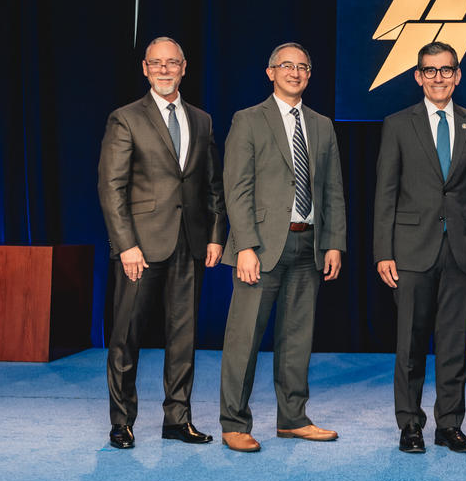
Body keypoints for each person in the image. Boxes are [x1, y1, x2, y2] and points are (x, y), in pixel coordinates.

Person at [98, 36, 226, 449]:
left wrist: (215, 238)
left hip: (190, 245)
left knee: (184, 339)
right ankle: (122, 422)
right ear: (145, 69)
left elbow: (212, 187)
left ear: (184, 67)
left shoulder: (202, 120)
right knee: (126, 337)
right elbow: (111, 188)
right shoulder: (125, 118)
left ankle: (177, 419)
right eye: (157, 64)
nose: (165, 70)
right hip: (140, 249)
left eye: (172, 63)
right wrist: (126, 245)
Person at [219, 42, 347, 453]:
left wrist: (334, 243)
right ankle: (234, 422)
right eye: (286, 66)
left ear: (310, 75)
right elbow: (236, 189)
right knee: (245, 338)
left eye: (303, 67)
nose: (295, 72)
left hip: (308, 245)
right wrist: (245, 246)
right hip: (261, 248)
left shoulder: (323, 124)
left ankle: (293, 419)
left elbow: (332, 191)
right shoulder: (248, 120)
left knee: (297, 338)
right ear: (270, 71)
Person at [373, 41, 466, 454]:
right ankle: (410, 425)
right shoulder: (397, 124)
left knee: (453, 344)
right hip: (410, 250)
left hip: (463, 251)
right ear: (418, 76)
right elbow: (385, 194)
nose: (438, 78)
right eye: (430, 71)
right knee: (409, 343)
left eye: (446, 70)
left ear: (457, 75)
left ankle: (449, 425)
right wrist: (383, 252)